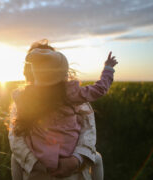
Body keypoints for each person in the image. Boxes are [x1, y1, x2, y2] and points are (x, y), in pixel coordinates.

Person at [8, 39, 118, 180]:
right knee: (98, 158)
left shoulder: (24, 98)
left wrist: (74, 160)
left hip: (48, 159)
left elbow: (88, 131)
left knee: (14, 158)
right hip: (60, 159)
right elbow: (100, 89)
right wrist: (108, 69)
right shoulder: (74, 94)